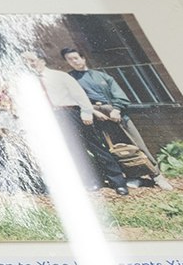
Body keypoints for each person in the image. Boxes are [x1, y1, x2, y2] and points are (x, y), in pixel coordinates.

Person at [24, 49, 130, 196]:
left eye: (32, 61)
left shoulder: (59, 76)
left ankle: (118, 182)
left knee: (96, 147)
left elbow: (79, 95)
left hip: (72, 113)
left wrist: (86, 113)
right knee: (75, 151)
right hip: (54, 117)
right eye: (26, 62)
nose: (29, 64)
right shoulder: (32, 82)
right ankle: (92, 181)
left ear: (41, 61)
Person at [63, 47, 152, 157]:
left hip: (114, 111)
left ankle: (152, 170)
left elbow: (118, 93)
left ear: (83, 58)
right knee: (111, 147)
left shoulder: (102, 76)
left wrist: (117, 109)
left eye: (75, 58)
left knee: (135, 141)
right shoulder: (69, 79)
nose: (73, 61)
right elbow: (72, 99)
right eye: (69, 59)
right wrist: (93, 112)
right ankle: (130, 173)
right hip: (94, 115)